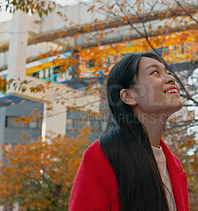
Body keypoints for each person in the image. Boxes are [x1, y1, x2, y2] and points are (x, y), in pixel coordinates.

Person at [69, 52, 189, 211]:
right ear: (128, 96)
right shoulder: (101, 155)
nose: (170, 78)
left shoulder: (175, 166)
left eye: (167, 72)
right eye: (155, 72)